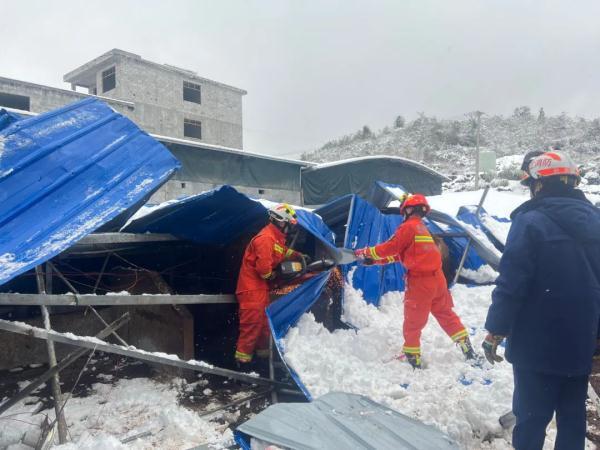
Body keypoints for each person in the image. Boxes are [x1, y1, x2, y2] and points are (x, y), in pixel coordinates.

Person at [482, 150, 600, 450]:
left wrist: (496, 329)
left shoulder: (530, 222)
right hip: (581, 343)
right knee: (573, 419)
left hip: (537, 345)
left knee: (532, 419)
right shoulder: (596, 222)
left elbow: (511, 284)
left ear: (539, 184)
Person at [354, 193, 477, 369]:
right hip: (438, 280)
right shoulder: (423, 229)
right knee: (446, 315)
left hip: (421, 283)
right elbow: (401, 254)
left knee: (413, 321)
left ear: (408, 210)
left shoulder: (408, 227)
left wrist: (366, 252)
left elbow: (391, 248)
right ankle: (467, 347)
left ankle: (412, 357)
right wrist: (375, 261)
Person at [235, 203, 303, 366]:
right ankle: (243, 369)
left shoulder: (275, 238)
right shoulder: (265, 238)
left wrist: (298, 255)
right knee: (252, 328)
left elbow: (282, 251)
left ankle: (263, 364)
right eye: (289, 224)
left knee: (264, 328)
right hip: (251, 289)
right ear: (281, 221)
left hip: (260, 289)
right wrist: (273, 275)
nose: (290, 228)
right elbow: (263, 268)